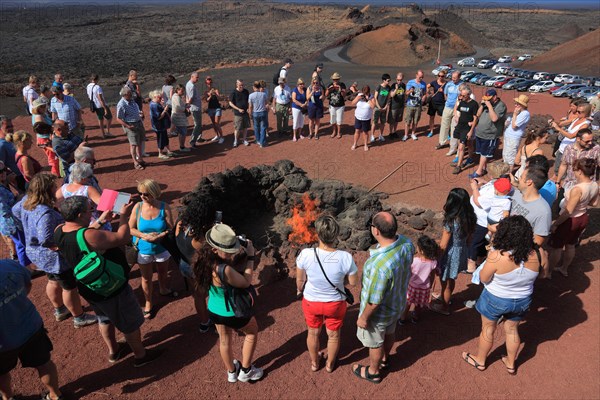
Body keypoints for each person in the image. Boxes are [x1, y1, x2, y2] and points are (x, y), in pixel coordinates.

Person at [54, 196, 162, 367]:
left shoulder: (60, 230)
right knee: (129, 321)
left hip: (89, 287)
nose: (92, 213)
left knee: (104, 318)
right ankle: (141, 356)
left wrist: (100, 221)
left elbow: (80, 236)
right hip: (110, 285)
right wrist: (124, 216)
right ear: (80, 214)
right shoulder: (90, 235)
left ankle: (114, 351)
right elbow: (123, 237)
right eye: (90, 210)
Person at [11, 173, 97, 328]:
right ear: (46, 190)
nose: (56, 189)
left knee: (52, 280)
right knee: (69, 287)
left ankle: (60, 310)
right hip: (54, 257)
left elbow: (15, 211)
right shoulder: (45, 213)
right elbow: (46, 238)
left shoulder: (25, 202)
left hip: (37, 253)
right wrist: (58, 245)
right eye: (53, 187)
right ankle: (79, 317)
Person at [461, 215, 540, 375]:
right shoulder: (538, 253)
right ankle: (511, 363)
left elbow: (484, 278)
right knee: (512, 330)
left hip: (495, 299)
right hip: (522, 300)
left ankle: (481, 360)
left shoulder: (497, 256)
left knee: (488, 329)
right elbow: (542, 273)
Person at [193, 223, 264, 383]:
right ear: (215, 250)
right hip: (232, 312)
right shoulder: (223, 269)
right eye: (228, 249)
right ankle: (246, 371)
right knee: (252, 331)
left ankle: (231, 372)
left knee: (224, 339)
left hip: (214, 309)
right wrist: (251, 257)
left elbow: (194, 242)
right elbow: (246, 282)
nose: (233, 251)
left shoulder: (202, 259)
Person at [352, 212, 414, 384]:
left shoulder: (378, 266)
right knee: (390, 332)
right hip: (398, 302)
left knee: (375, 342)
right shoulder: (407, 243)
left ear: (376, 231)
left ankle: (373, 371)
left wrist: (364, 317)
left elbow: (374, 300)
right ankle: (385, 360)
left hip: (379, 312)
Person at [295, 215, 358, 372]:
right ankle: (330, 364)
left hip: (311, 301)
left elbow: (300, 281)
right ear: (336, 234)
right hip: (335, 303)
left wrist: (299, 290)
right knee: (334, 334)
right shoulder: (345, 257)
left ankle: (315, 363)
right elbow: (353, 282)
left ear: (317, 234)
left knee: (313, 332)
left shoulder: (306, 254)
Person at [0, 259, 64, 400]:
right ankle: (55, 395)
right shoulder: (9, 265)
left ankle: (7, 398)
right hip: (30, 327)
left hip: (3, 343)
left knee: (1, 374)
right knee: (44, 364)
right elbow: (27, 285)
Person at [129, 179, 176, 319]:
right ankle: (148, 302)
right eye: (140, 193)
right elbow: (130, 229)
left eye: (146, 194)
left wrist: (160, 235)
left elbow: (171, 229)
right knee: (146, 278)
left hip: (161, 248)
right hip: (143, 250)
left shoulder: (164, 207)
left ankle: (163, 288)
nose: (143, 196)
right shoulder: (137, 207)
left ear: (154, 193)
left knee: (163, 272)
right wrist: (144, 235)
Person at [548, 158, 598, 277]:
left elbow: (568, 211)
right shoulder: (594, 184)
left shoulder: (577, 189)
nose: (574, 172)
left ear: (580, 171)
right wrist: (583, 203)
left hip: (571, 220)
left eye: (575, 170)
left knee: (558, 247)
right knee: (570, 244)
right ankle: (564, 268)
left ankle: (548, 271)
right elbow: (594, 203)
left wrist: (556, 224)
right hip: (583, 217)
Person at [430, 188, 476, 315]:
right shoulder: (470, 217)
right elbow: (469, 239)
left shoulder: (451, 221)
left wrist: (437, 258)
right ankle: (446, 297)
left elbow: (444, 245)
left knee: (445, 281)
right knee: (451, 278)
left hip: (450, 254)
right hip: (461, 251)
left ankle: (444, 306)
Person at [176, 190, 217, 333]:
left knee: (197, 295)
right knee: (212, 293)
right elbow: (211, 251)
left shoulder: (180, 225)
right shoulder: (199, 239)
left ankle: (204, 322)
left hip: (184, 264)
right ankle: (217, 320)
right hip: (199, 269)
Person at [466, 161, 511, 274]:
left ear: (492, 175)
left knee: (474, 243)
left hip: (482, 221)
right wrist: (485, 182)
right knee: (482, 242)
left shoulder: (493, 190)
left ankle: (471, 265)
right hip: (482, 219)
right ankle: (480, 259)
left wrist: (475, 188)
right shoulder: (501, 185)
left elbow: (479, 202)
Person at [509, 166, 552, 277]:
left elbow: (538, 240)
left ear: (529, 182)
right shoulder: (516, 193)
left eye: (521, 177)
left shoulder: (543, 211)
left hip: (517, 255)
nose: (518, 179)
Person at [55, 162, 109, 231]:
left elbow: (54, 201)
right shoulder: (88, 189)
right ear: (83, 178)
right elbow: (104, 204)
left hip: (73, 223)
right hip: (91, 222)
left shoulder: (64, 188)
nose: (90, 178)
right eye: (89, 176)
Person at [400, 235, 439, 324]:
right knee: (419, 304)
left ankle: (402, 318)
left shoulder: (414, 261)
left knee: (408, 302)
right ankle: (415, 318)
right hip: (424, 288)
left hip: (412, 286)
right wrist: (430, 285)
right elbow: (432, 276)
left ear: (421, 250)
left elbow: (408, 273)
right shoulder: (433, 263)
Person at [0, 161, 31, 269]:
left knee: (20, 244)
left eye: (5, 170)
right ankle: (26, 269)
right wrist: (17, 200)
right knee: (22, 245)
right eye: (1, 171)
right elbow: (4, 210)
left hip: (9, 223)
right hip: (11, 223)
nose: (4, 173)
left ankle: (27, 267)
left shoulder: (2, 185)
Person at [550, 102, 591, 175]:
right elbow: (562, 123)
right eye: (577, 111)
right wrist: (554, 123)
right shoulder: (576, 119)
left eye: (579, 112)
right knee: (557, 171)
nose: (577, 113)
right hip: (562, 148)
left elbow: (571, 136)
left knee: (564, 173)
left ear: (586, 113)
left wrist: (558, 129)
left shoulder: (585, 124)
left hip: (570, 151)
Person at [115, 86, 146, 170]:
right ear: (125, 95)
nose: (131, 95)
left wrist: (141, 115)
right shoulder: (121, 104)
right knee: (133, 144)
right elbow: (118, 118)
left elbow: (137, 110)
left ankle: (140, 159)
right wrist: (128, 126)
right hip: (131, 125)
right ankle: (135, 162)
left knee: (139, 142)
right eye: (129, 94)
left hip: (139, 123)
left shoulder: (132, 101)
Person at [452, 87, 479, 175]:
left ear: (468, 95)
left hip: (467, 128)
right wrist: (456, 117)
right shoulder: (462, 102)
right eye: (461, 95)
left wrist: (471, 130)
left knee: (461, 147)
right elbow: (458, 111)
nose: (461, 97)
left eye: (463, 95)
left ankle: (459, 166)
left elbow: (475, 118)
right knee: (469, 143)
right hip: (460, 126)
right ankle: (470, 157)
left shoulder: (474, 104)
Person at [31, 99, 60, 177]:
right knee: (53, 156)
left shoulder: (42, 114)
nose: (45, 108)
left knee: (54, 156)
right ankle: (55, 174)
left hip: (46, 138)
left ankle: (57, 172)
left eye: (45, 106)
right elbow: (41, 129)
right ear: (38, 108)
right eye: (43, 106)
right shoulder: (38, 117)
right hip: (45, 139)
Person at [502, 95, 531, 167]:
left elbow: (514, 126)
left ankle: (508, 174)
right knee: (505, 155)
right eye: (515, 103)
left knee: (510, 157)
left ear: (522, 105)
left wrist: (514, 114)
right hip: (508, 136)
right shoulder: (519, 113)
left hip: (513, 138)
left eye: (517, 104)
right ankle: (504, 171)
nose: (515, 105)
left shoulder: (525, 114)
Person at [0, 116, 25, 192]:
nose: (11, 128)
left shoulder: (12, 139)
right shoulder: (1, 145)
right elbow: (1, 166)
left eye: (11, 126)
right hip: (18, 178)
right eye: (7, 127)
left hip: (25, 173)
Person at [86, 74, 114, 138]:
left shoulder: (88, 86)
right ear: (97, 79)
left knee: (100, 119)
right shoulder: (97, 87)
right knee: (109, 118)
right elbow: (100, 99)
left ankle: (103, 134)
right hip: (100, 105)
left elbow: (89, 96)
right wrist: (105, 108)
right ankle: (107, 132)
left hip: (94, 106)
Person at [149, 90, 174, 159]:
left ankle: (168, 151)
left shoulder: (156, 103)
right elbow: (159, 117)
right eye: (159, 98)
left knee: (165, 138)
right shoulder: (154, 105)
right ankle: (160, 153)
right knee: (161, 139)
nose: (161, 99)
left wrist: (163, 106)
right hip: (158, 126)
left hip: (162, 125)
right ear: (155, 97)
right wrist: (165, 110)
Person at [403, 70, 427, 141]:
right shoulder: (410, 82)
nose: (421, 79)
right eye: (420, 77)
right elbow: (406, 93)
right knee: (408, 121)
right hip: (410, 105)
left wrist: (424, 96)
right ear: (416, 75)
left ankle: (413, 133)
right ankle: (406, 135)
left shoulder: (424, 84)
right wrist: (410, 91)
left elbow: (424, 93)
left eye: (422, 77)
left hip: (418, 105)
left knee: (415, 121)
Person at [351, 85, 376, 151]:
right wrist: (357, 98)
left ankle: (365, 144)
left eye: (366, 93)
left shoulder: (371, 97)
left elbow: (373, 106)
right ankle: (355, 143)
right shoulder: (359, 95)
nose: (365, 94)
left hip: (366, 118)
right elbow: (352, 103)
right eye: (364, 93)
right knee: (357, 131)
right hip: (358, 117)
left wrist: (368, 99)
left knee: (365, 132)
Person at [229, 80, 250, 148]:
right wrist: (238, 109)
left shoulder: (246, 91)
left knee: (245, 127)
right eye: (240, 85)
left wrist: (248, 108)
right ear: (236, 85)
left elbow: (248, 101)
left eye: (242, 85)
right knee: (237, 128)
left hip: (245, 113)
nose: (241, 86)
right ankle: (235, 140)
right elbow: (230, 103)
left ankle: (244, 139)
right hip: (238, 113)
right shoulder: (233, 93)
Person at [426, 70, 447, 138]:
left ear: (444, 76)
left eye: (442, 76)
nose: (440, 77)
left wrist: (442, 91)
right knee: (431, 117)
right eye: (439, 76)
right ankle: (431, 131)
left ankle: (445, 133)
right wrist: (428, 92)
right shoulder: (434, 82)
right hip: (433, 102)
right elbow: (427, 86)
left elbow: (447, 95)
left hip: (441, 103)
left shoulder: (446, 84)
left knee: (443, 118)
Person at [171, 84, 191, 153]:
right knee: (183, 132)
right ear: (177, 90)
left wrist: (185, 105)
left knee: (181, 132)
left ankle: (182, 146)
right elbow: (178, 107)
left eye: (183, 91)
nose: (183, 92)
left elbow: (180, 105)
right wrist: (185, 108)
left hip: (179, 117)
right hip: (179, 117)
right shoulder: (176, 97)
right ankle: (182, 147)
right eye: (182, 91)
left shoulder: (177, 96)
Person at [248, 81, 269, 148]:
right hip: (263, 112)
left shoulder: (251, 95)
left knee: (256, 127)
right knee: (263, 127)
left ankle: (258, 140)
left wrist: (250, 114)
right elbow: (266, 104)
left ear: (254, 87)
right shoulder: (263, 94)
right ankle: (262, 142)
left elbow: (250, 106)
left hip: (255, 113)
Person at [325, 72, 346, 139]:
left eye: (337, 79)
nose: (335, 81)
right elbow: (326, 94)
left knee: (339, 120)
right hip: (332, 105)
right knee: (332, 119)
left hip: (340, 105)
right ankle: (334, 131)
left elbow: (344, 95)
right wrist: (329, 89)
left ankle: (339, 132)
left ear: (339, 79)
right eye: (334, 79)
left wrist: (340, 89)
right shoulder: (330, 85)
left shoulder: (342, 85)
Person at [204, 76, 224, 143]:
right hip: (210, 109)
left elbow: (220, 99)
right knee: (213, 124)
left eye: (210, 80)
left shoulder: (215, 89)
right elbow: (206, 100)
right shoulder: (206, 91)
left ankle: (221, 137)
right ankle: (217, 135)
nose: (209, 81)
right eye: (208, 80)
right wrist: (210, 95)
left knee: (217, 123)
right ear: (206, 82)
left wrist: (215, 94)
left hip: (217, 108)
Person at [372, 74, 392, 142]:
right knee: (375, 122)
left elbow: (388, 98)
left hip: (384, 108)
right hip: (377, 108)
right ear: (384, 80)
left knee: (383, 122)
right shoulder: (379, 87)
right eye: (388, 80)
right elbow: (375, 97)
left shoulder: (388, 88)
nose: (389, 82)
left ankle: (381, 135)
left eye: (389, 80)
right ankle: (372, 135)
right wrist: (379, 107)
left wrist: (386, 106)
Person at [186, 72, 204, 146]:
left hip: (196, 107)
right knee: (197, 124)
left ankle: (199, 137)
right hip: (195, 108)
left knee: (199, 124)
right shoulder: (191, 86)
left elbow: (187, 96)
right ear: (192, 76)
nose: (197, 79)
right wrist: (188, 106)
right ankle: (193, 141)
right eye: (196, 77)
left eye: (198, 77)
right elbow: (190, 98)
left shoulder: (189, 84)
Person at [388, 73, 406, 139]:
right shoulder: (393, 85)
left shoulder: (404, 85)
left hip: (400, 106)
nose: (399, 81)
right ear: (396, 79)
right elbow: (392, 95)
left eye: (400, 80)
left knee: (397, 120)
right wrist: (396, 89)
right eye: (398, 80)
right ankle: (390, 133)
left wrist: (404, 102)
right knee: (392, 120)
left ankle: (394, 132)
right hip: (394, 106)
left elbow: (403, 94)